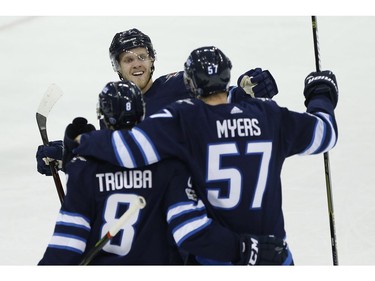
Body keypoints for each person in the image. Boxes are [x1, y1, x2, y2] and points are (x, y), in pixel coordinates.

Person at [70, 46, 339, 265]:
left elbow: (128, 150)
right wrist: (320, 94)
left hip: (214, 257)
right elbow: (324, 134)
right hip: (273, 256)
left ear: (190, 83)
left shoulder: (185, 121)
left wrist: (78, 145)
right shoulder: (268, 115)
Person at [38, 80, 290, 265]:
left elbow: (67, 242)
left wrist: (70, 154)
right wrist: (246, 249)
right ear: (144, 114)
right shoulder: (170, 165)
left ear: (102, 117)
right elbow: (191, 231)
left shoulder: (84, 169)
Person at [36, 28, 278, 176]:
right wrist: (67, 155)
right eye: (128, 59)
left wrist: (250, 91)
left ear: (152, 60)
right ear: (117, 68)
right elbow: (113, 160)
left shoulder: (179, 84)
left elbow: (223, 99)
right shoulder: (116, 106)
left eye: (142, 56)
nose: (137, 63)